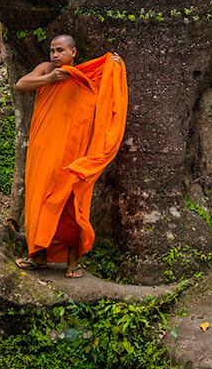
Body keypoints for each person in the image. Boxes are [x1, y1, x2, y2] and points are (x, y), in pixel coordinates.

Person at [14, 34, 127, 278]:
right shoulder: (46, 70)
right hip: (43, 147)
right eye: (52, 50)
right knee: (40, 198)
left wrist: (114, 65)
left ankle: (73, 261)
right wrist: (50, 78)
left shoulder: (84, 77)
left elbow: (108, 89)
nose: (55, 55)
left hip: (73, 149)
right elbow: (21, 85)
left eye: (60, 50)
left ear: (73, 53)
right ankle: (39, 256)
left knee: (71, 201)